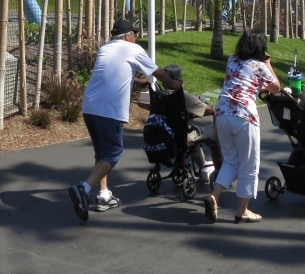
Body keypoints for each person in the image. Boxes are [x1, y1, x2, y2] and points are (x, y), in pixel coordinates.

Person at [68, 19, 181, 222]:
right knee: (113, 152)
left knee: (102, 153)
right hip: (108, 109)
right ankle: (83, 188)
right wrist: (174, 84)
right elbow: (160, 73)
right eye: (135, 34)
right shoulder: (132, 48)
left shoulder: (105, 49)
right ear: (127, 36)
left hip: (90, 106)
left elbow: (113, 73)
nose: (136, 37)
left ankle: (103, 196)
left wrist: (139, 81)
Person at [204, 31, 280, 225]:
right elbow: (276, 88)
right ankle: (242, 211)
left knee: (231, 161)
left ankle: (214, 196)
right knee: (249, 164)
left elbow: (242, 81)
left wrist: (257, 86)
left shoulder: (232, 59)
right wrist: (268, 64)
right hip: (244, 116)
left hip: (222, 114)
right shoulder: (261, 66)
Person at [162, 64, 216, 183]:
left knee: (193, 135)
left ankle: (202, 164)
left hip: (165, 136)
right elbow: (209, 110)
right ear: (180, 81)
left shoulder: (159, 95)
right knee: (213, 130)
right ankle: (220, 164)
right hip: (183, 137)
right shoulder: (182, 95)